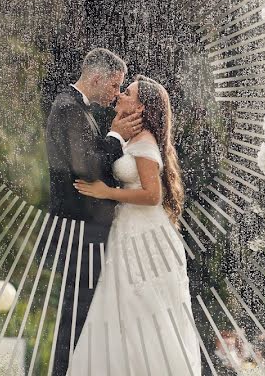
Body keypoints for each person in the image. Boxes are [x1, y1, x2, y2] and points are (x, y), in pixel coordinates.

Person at [68, 75, 201, 375]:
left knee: (142, 306)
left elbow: (153, 196)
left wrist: (107, 193)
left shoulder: (144, 142)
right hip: (127, 230)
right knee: (120, 307)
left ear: (142, 107)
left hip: (144, 236)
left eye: (127, 92)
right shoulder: (132, 140)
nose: (120, 95)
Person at [44, 48, 141, 376]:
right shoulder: (69, 107)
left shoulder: (73, 107)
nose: (116, 95)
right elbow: (85, 166)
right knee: (77, 314)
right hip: (79, 232)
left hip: (83, 230)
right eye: (115, 87)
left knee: (81, 312)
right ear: (97, 78)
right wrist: (116, 136)